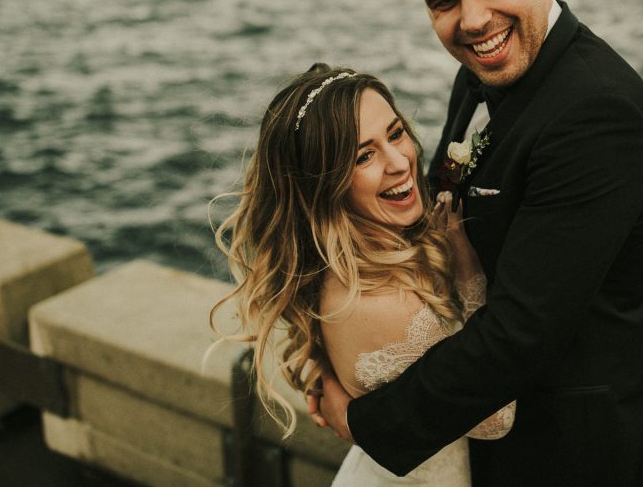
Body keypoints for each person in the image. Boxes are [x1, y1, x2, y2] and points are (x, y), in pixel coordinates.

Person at [308, 0, 643, 486]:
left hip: (571, 451)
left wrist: (366, 420)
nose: (472, 20)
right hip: (485, 431)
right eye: (444, 1)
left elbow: (521, 333)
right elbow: (442, 217)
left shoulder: (596, 112)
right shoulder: (479, 72)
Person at [212, 64, 515, 486]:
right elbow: (496, 418)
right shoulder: (383, 301)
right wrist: (469, 272)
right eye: (363, 156)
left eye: (396, 133)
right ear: (324, 185)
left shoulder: (356, 258)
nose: (399, 162)